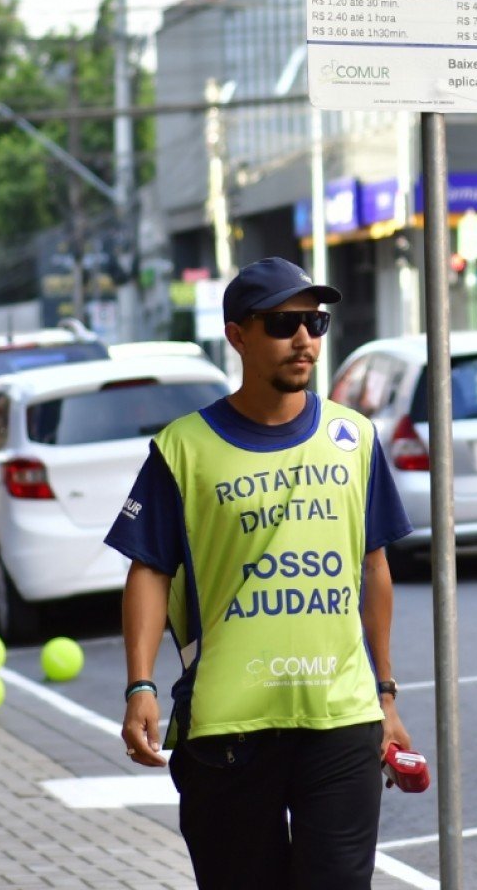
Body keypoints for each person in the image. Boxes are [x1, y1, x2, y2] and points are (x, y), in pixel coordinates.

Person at [106, 258, 414, 890]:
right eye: (282, 322)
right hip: (227, 730)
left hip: (342, 719)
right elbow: (149, 570)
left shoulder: (354, 438)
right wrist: (140, 685)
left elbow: (373, 567)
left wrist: (384, 695)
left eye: (314, 321)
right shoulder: (182, 449)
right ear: (238, 334)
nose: (304, 338)